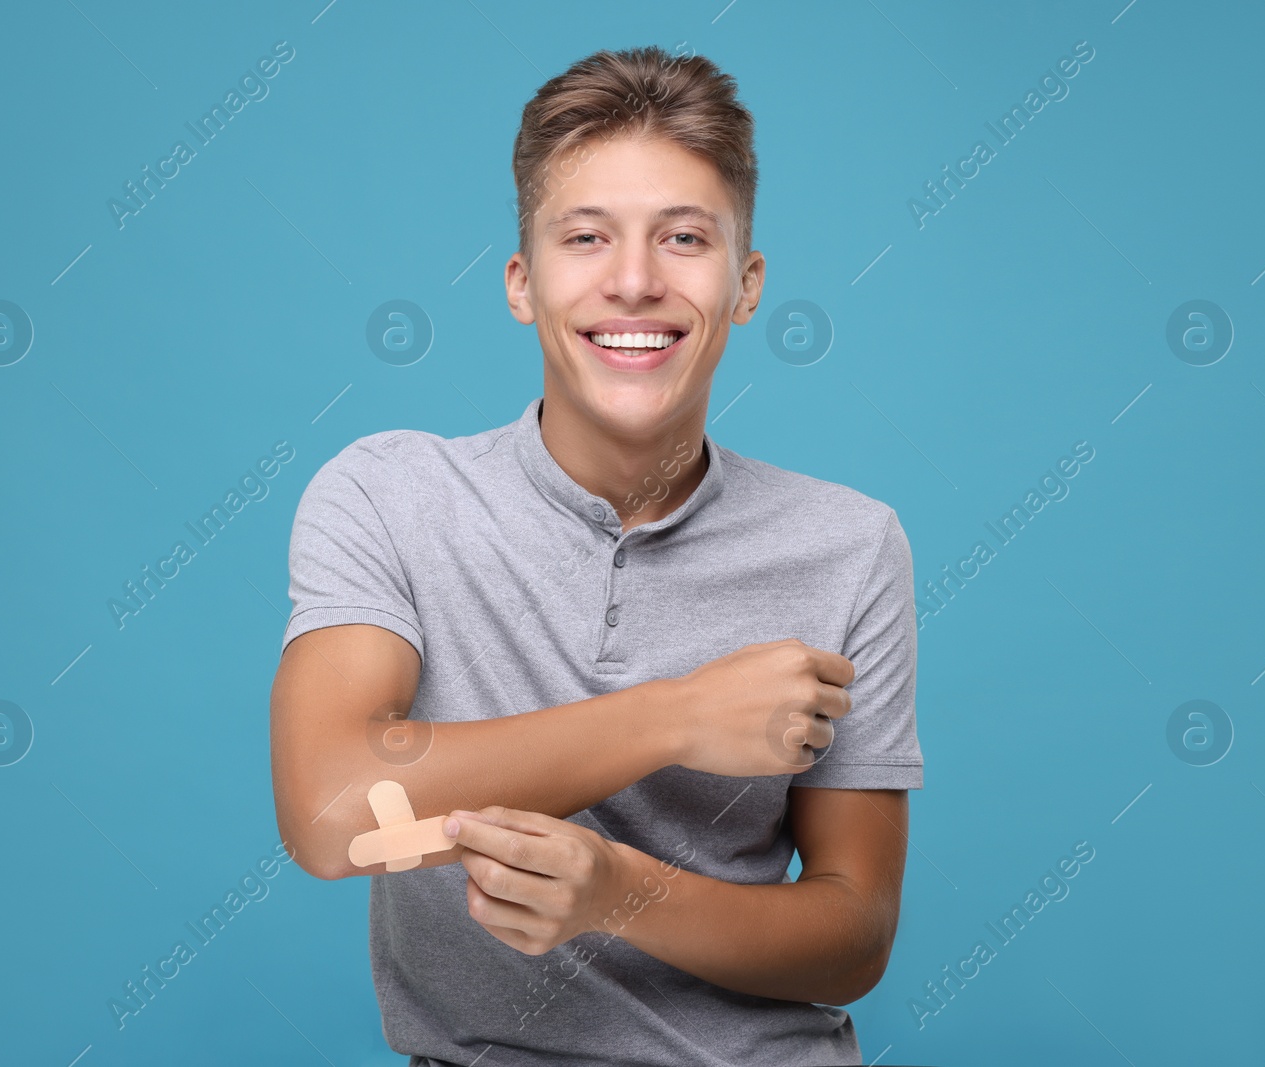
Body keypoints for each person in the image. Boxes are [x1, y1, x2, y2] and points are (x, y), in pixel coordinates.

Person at [269, 44, 923, 1067]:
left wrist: (620, 893)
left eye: (684, 238)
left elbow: (850, 939)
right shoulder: (389, 496)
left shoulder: (847, 543)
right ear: (522, 283)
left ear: (745, 284)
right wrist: (676, 715)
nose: (633, 280)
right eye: (586, 237)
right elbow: (331, 810)